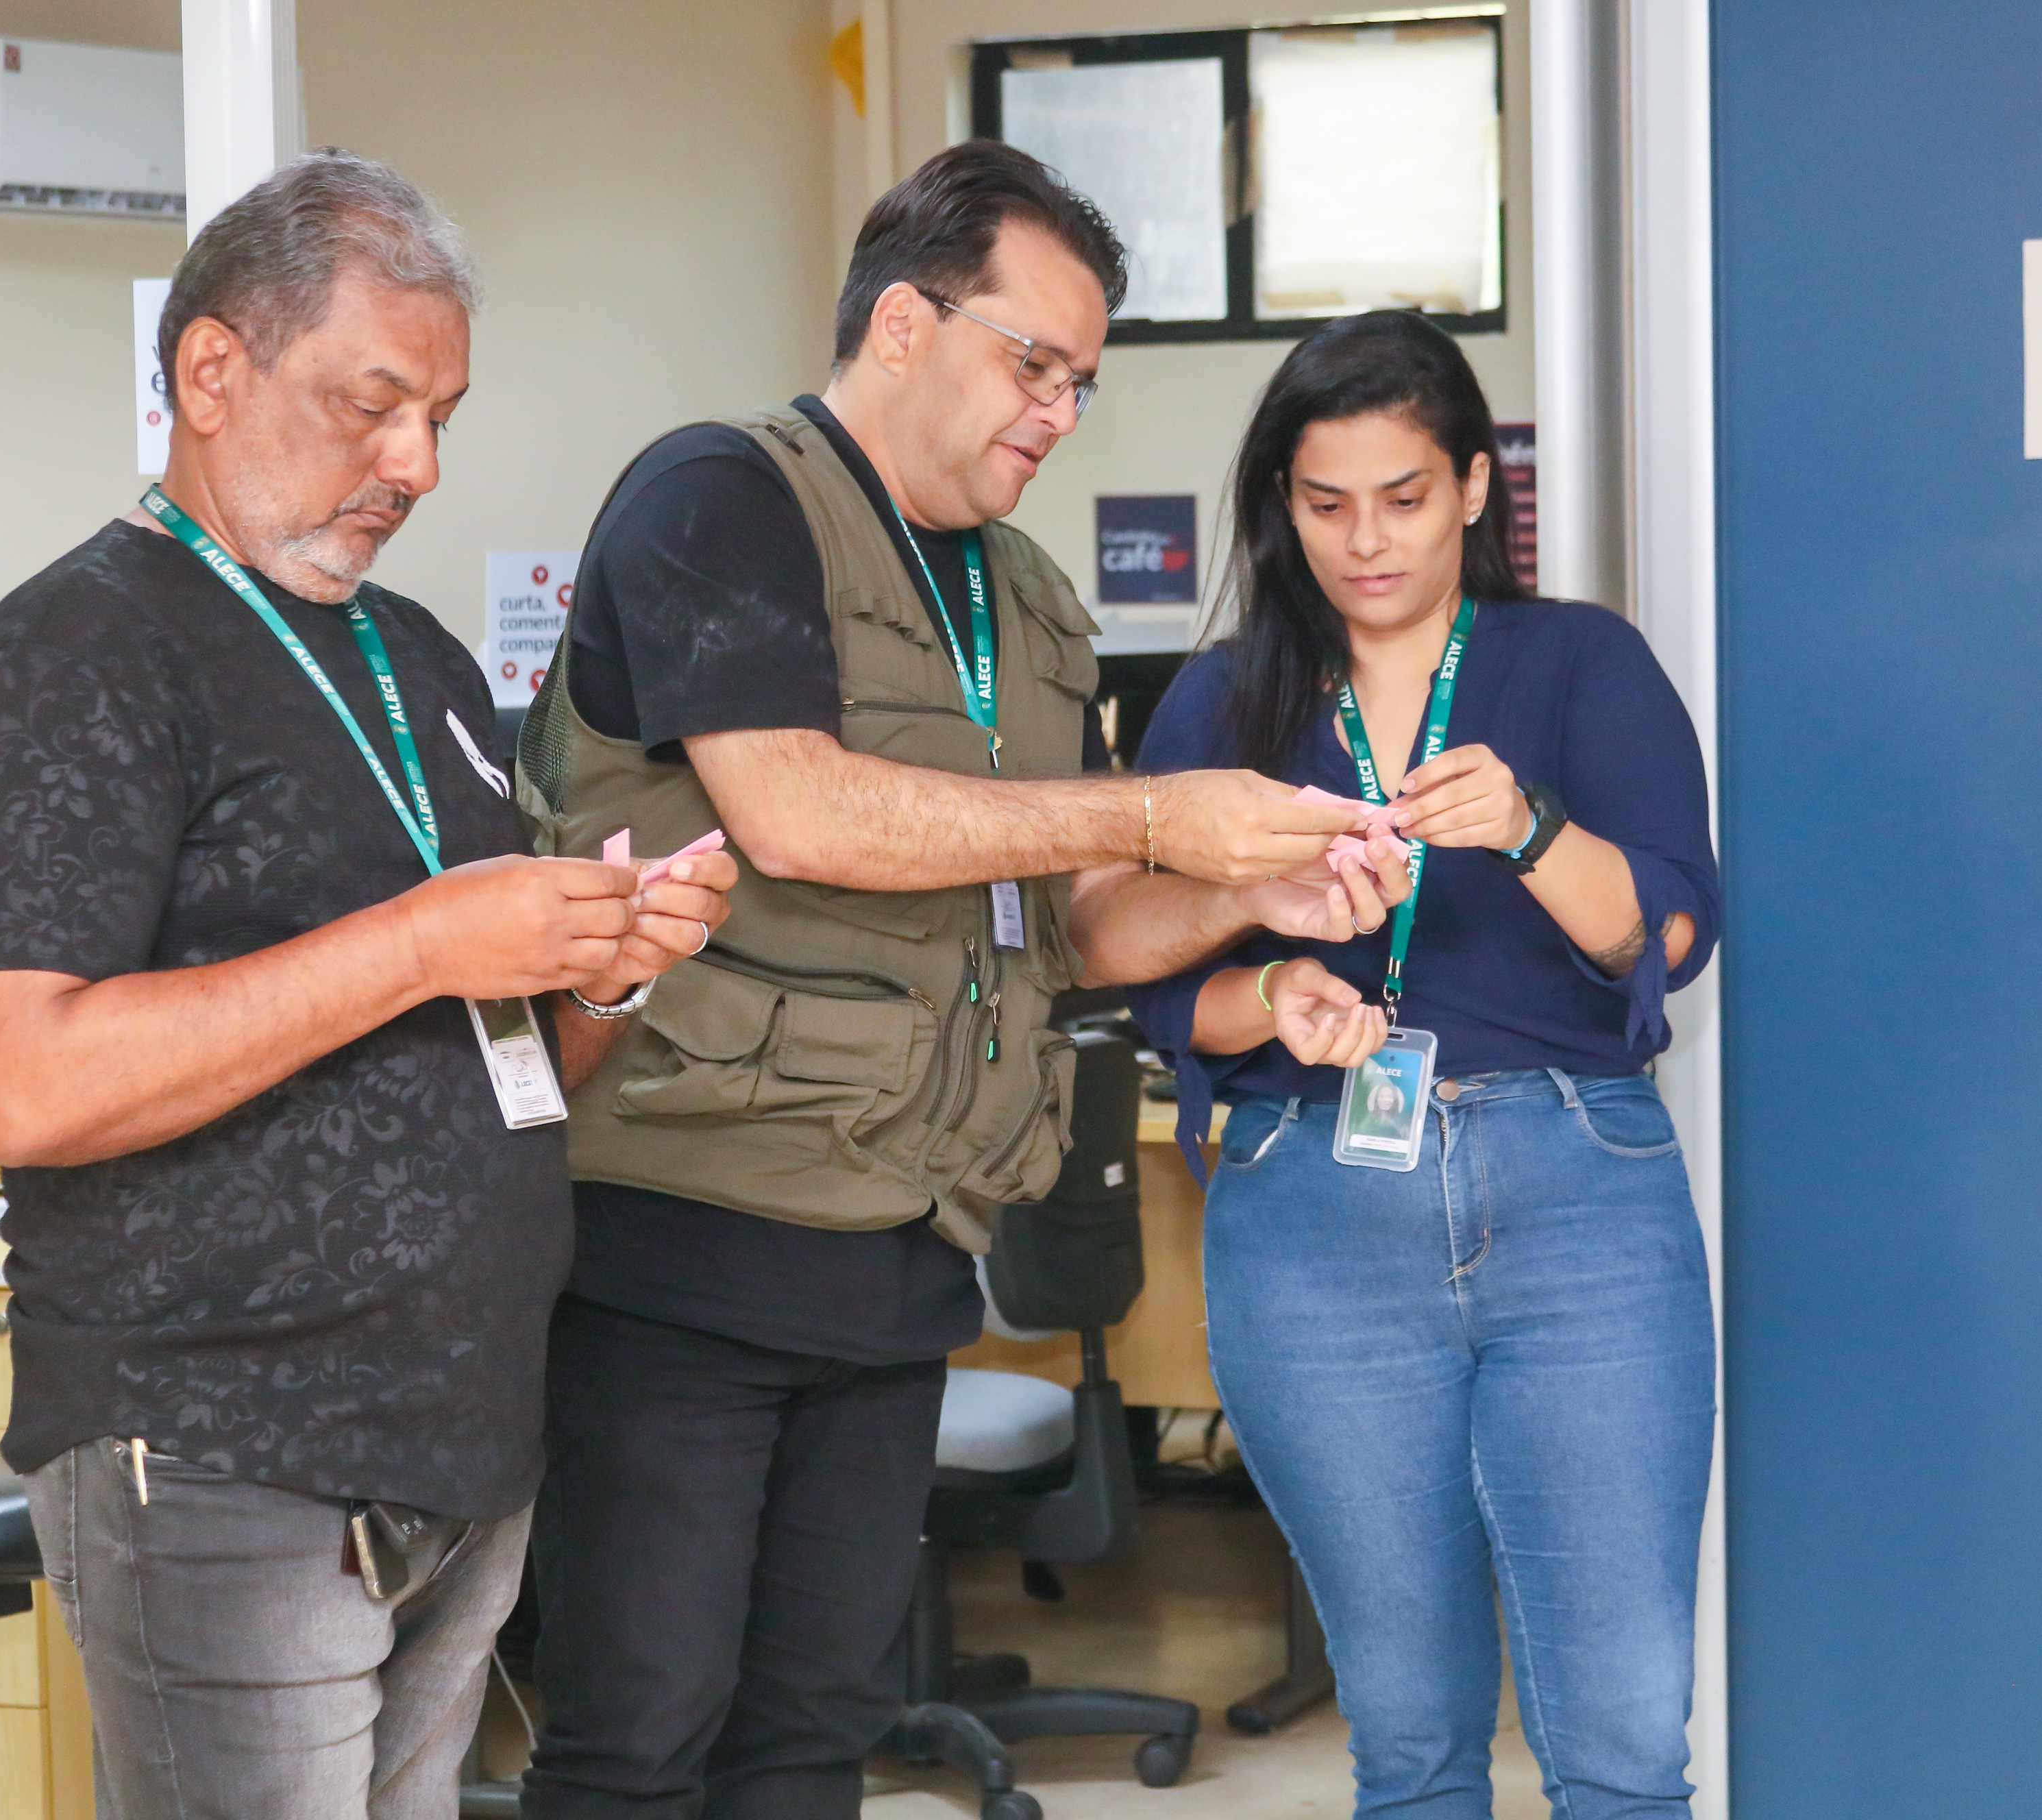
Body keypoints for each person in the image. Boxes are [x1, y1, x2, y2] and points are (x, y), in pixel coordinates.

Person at [512, 140, 1393, 1820]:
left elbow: (1073, 923)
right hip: (684, 1245)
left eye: (1082, 382)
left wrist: (1239, 891)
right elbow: (797, 806)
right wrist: (1152, 809)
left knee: (807, 1741)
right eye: (1034, 362)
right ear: (905, 323)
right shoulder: (722, 498)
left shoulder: (1030, 598)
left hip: (900, 1256)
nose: (1060, 412)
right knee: (640, 1744)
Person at [0, 152, 738, 1820]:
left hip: (459, 1437)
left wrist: (604, 971)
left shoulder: (413, 653)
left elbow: (491, 1060)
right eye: (372, 406)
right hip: (226, 1444)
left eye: (440, 415)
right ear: (213, 370)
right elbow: (29, 1083)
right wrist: (425, 938)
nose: (416, 464)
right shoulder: (76, 655)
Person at [1126, 310, 1723, 1819]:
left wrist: (1529, 829)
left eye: (1402, 497)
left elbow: (1669, 936)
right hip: (1314, 1211)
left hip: (1578, 1201)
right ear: (1283, 506)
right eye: (1325, 504)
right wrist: (1271, 993)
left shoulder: (1582, 663)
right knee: (1409, 1744)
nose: (1365, 541)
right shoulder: (1224, 700)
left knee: (1625, 1745)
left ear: (1470, 486)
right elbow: (1146, 982)